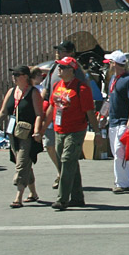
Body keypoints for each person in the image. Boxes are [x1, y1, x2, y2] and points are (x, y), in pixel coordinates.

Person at [0, 65, 44, 207]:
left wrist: (37, 130)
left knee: (22, 163)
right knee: (24, 163)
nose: (14, 77)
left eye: (17, 75)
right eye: (13, 75)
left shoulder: (33, 93)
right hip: (13, 133)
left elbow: (39, 114)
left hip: (27, 134)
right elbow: (3, 112)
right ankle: (33, 193)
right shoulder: (11, 91)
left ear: (25, 77)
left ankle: (18, 197)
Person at [46, 56, 96, 210]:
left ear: (71, 70)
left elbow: (90, 112)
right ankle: (77, 197)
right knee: (66, 163)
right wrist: (41, 127)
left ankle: (62, 199)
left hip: (75, 131)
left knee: (67, 160)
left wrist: (98, 133)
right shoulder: (57, 85)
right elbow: (51, 107)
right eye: (58, 67)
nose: (59, 70)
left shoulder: (81, 89)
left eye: (62, 67)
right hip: (59, 130)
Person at [102, 51, 129, 193]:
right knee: (116, 153)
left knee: (120, 152)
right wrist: (103, 115)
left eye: (110, 62)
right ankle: (122, 180)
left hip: (123, 121)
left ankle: (123, 183)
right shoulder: (113, 79)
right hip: (113, 122)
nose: (109, 65)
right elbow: (109, 99)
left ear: (114, 63)